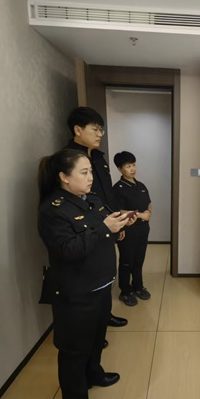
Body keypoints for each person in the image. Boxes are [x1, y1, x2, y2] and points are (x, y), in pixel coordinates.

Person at [37, 148, 134, 399]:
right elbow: (68, 249)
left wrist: (118, 227)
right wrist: (105, 229)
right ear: (64, 177)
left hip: (101, 285)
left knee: (96, 339)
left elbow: (100, 233)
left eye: (91, 171)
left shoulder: (91, 200)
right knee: (74, 350)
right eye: (84, 172)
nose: (91, 177)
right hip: (75, 292)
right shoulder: (53, 210)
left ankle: (94, 373)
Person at [64, 106, 129, 328]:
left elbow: (106, 194)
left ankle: (104, 315)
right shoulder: (68, 159)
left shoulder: (99, 158)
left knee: (106, 269)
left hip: (107, 223)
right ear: (78, 130)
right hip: (85, 228)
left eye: (102, 130)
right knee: (89, 273)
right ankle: (91, 325)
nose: (100, 134)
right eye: (96, 129)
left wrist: (117, 222)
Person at [112, 151, 152, 306]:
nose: (132, 169)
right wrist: (141, 215)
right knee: (127, 261)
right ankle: (125, 291)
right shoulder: (118, 188)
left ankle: (138, 286)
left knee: (139, 259)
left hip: (143, 229)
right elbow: (119, 210)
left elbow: (148, 203)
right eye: (128, 166)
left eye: (134, 165)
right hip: (127, 230)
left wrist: (148, 212)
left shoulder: (141, 185)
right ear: (120, 169)